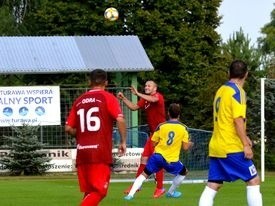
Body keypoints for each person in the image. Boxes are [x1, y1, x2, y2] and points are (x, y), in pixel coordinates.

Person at [198, 60, 263, 206]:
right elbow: (237, 120)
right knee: (253, 180)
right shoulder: (238, 92)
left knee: (213, 184)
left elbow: (226, 118)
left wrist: (244, 136)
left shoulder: (221, 90)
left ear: (229, 73)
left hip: (216, 146)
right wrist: (245, 144)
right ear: (246, 74)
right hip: (231, 146)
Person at [65, 69, 127, 206]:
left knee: (89, 192)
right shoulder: (108, 98)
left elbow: (68, 128)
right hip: (99, 152)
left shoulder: (79, 100)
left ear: (89, 82)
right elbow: (120, 120)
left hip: (82, 152)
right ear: (106, 82)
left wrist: (82, 133)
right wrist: (123, 141)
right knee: (100, 191)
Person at [124, 103, 193, 200]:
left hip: (157, 156)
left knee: (144, 174)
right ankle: (170, 192)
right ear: (179, 115)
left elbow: (153, 142)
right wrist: (190, 143)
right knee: (184, 172)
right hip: (171, 160)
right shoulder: (183, 128)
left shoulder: (161, 126)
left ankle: (130, 195)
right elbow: (185, 147)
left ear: (168, 113)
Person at [117, 80, 166, 198]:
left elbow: (153, 100)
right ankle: (136, 186)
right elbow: (134, 107)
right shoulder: (145, 99)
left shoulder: (158, 96)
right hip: (152, 135)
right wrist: (123, 98)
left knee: (157, 161)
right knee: (143, 159)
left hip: (160, 134)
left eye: (149, 85)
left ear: (155, 88)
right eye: (145, 85)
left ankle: (159, 188)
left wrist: (137, 93)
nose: (147, 87)